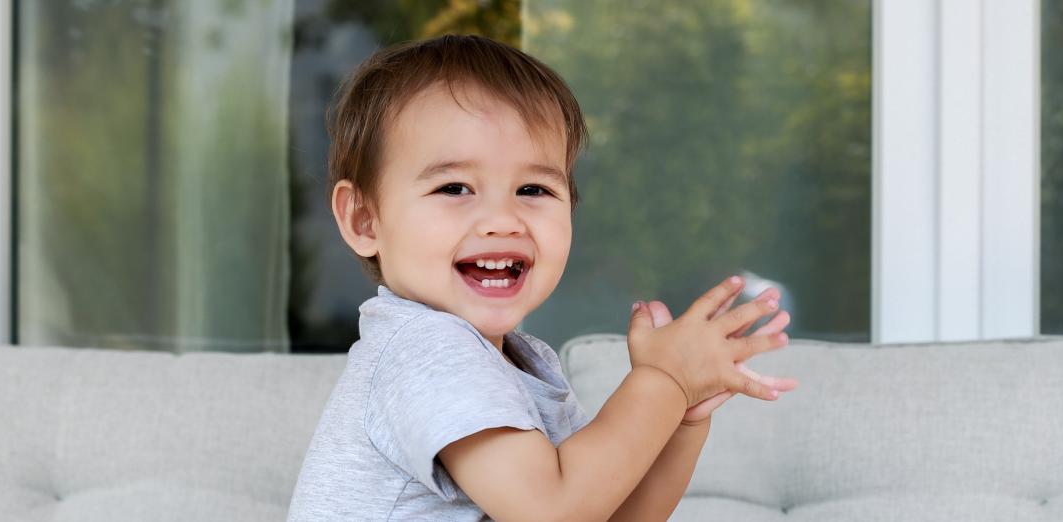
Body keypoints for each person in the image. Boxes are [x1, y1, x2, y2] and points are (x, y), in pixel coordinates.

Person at [287, 34, 798, 521]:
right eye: (455, 187)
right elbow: (554, 510)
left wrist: (682, 413)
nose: (503, 219)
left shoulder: (522, 363)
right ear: (364, 220)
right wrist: (663, 380)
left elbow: (611, 514)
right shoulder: (424, 347)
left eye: (533, 189)